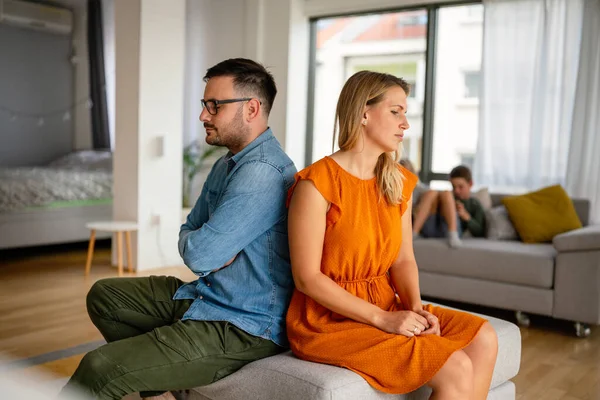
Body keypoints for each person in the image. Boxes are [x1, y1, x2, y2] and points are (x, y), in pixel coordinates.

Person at [61, 58, 297, 400]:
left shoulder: (262, 172)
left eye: (215, 105)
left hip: (242, 326)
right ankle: (159, 381)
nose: (204, 115)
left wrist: (205, 247)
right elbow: (190, 234)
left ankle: (153, 368)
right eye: (205, 105)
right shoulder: (227, 163)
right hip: (209, 297)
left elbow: (200, 255)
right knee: (105, 296)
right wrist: (205, 246)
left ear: (251, 108)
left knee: (100, 367)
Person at [286, 71, 498, 399]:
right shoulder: (316, 185)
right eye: (396, 111)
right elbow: (307, 278)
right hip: (328, 321)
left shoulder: (398, 181)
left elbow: (403, 259)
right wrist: (384, 319)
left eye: (405, 113)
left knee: (484, 337)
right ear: (364, 113)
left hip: (387, 304)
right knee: (456, 366)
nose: (406, 124)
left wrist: (415, 308)